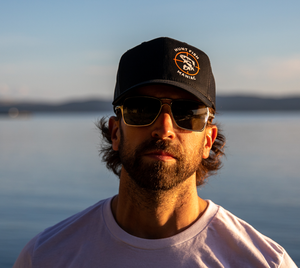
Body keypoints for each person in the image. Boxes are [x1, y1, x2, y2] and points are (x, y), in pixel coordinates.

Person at [13, 37, 297, 267]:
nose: (164, 129)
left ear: (208, 141)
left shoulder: (265, 262)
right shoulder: (44, 257)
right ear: (115, 132)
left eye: (187, 113)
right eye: (141, 109)